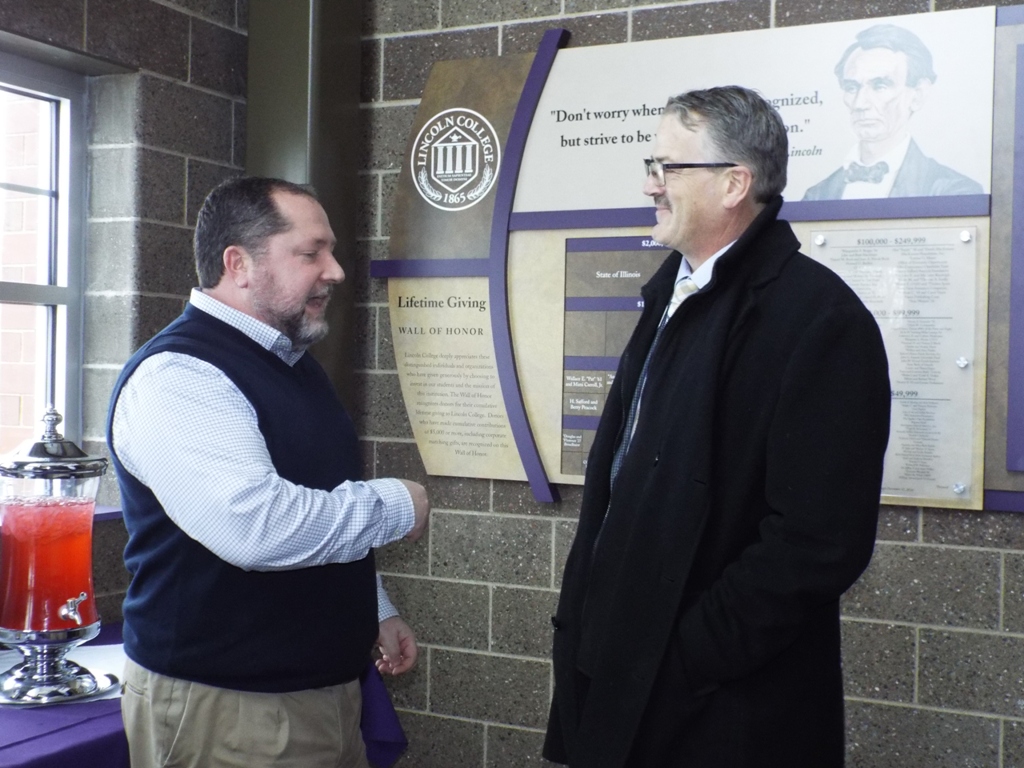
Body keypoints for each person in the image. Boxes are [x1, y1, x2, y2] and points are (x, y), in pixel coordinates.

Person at [543, 86, 891, 768]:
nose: (650, 184)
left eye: (667, 167)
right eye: (651, 166)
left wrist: (686, 658)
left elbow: (816, 544)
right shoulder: (673, 295)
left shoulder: (820, 320)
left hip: (718, 713)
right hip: (619, 681)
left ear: (734, 184)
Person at [106, 176, 430, 768]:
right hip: (229, 711)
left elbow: (319, 497)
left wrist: (374, 608)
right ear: (239, 265)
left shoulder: (291, 364)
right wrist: (398, 503)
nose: (335, 271)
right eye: (311, 253)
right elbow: (255, 527)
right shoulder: (180, 376)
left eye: (331, 252)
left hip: (320, 694)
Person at [803, 23, 982, 200]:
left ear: (918, 95)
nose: (859, 103)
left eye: (880, 86)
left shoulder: (954, 190)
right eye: (851, 88)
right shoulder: (816, 195)